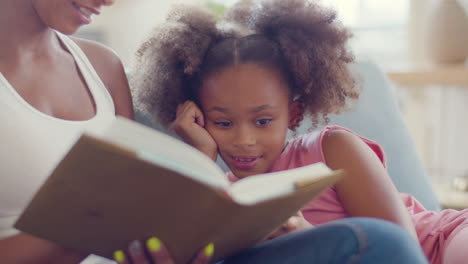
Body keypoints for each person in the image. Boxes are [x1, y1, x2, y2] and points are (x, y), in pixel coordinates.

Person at [0, 1, 427, 264]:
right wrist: (89, 228)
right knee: (372, 243)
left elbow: (136, 211)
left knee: (378, 243)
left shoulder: (103, 69)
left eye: (261, 120)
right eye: (225, 122)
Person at [131, 0, 468, 263]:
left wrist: (309, 232)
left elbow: (400, 245)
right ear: (199, 119)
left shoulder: (332, 148)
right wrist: (200, 158)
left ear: (292, 114)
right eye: (223, 123)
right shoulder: (226, 205)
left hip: (441, 241)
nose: (244, 140)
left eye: (262, 121)